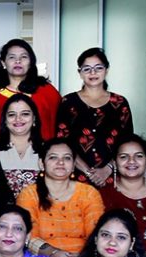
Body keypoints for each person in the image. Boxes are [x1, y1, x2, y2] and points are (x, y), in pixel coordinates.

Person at [17, 138, 104, 257]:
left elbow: (96, 235)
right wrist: (53, 253)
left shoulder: (89, 193)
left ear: (74, 165)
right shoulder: (29, 194)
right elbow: (28, 236)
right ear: (42, 163)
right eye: (53, 158)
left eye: (67, 158)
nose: (61, 162)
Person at [55, 48, 132, 188]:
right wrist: (89, 172)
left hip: (113, 176)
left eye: (98, 68)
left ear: (106, 70)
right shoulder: (68, 102)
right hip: (76, 177)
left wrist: (107, 169)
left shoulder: (120, 102)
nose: (93, 73)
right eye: (87, 69)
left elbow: (127, 142)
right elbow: (63, 142)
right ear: (80, 73)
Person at [0, 39, 61, 143]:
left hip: (44, 154)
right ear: (3, 63)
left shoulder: (47, 91)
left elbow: (61, 124)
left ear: (31, 62)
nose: (18, 61)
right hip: (3, 154)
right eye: (12, 57)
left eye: (23, 57)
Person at [0, 94, 44, 194]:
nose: (18, 119)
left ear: (34, 118)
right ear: (5, 120)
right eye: (12, 115)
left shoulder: (48, 151)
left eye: (25, 114)